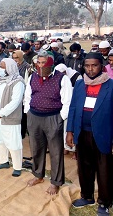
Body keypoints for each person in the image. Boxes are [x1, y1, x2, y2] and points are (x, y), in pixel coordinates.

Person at [67, 52, 113, 215]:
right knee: (84, 167)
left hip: (103, 134)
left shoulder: (110, 85)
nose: (91, 69)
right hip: (82, 132)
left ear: (102, 66)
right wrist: (70, 131)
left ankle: (105, 202)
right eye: (87, 65)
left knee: (104, 170)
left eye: (94, 65)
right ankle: (87, 196)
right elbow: (73, 108)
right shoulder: (80, 84)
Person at [24, 53, 73, 195]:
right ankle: (38, 175)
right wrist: (28, 112)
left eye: (43, 62)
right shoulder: (33, 77)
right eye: (38, 62)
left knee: (56, 151)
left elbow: (67, 101)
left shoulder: (62, 79)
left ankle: (56, 182)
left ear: (50, 64)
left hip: (53, 118)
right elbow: (27, 96)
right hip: (35, 116)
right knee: (36, 148)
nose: (40, 65)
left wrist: (60, 118)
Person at [0, 58, 25, 176]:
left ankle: (17, 167)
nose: (1, 69)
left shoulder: (18, 82)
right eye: (0, 67)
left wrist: (1, 113)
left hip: (9, 118)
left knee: (13, 143)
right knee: (0, 140)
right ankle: (4, 161)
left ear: (10, 68)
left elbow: (15, 101)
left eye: (3, 67)